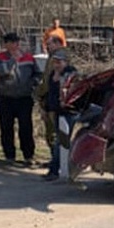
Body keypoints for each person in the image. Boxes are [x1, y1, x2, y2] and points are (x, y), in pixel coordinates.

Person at [0, 32, 41, 166]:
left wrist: (33, 83)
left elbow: (37, 73)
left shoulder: (28, 58)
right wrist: (13, 60)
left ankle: (28, 155)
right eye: (12, 43)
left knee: (26, 127)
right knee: (6, 128)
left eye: (17, 42)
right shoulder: (0, 58)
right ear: (6, 44)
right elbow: (3, 71)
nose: (15, 45)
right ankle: (9, 155)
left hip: (24, 98)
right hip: (6, 98)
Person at [43, 49, 77, 181]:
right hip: (56, 112)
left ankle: (55, 170)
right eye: (55, 62)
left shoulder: (71, 74)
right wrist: (46, 109)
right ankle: (60, 168)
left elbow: (68, 91)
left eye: (59, 62)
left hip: (69, 112)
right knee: (60, 141)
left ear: (66, 62)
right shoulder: (52, 74)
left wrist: (59, 77)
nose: (56, 64)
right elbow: (50, 94)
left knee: (61, 141)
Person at [34, 36, 66, 160]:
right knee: (54, 132)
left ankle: (56, 161)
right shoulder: (54, 57)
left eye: (49, 44)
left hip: (54, 100)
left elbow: (48, 81)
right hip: (53, 99)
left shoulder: (57, 57)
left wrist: (39, 94)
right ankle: (56, 160)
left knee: (53, 132)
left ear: (58, 43)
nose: (47, 47)